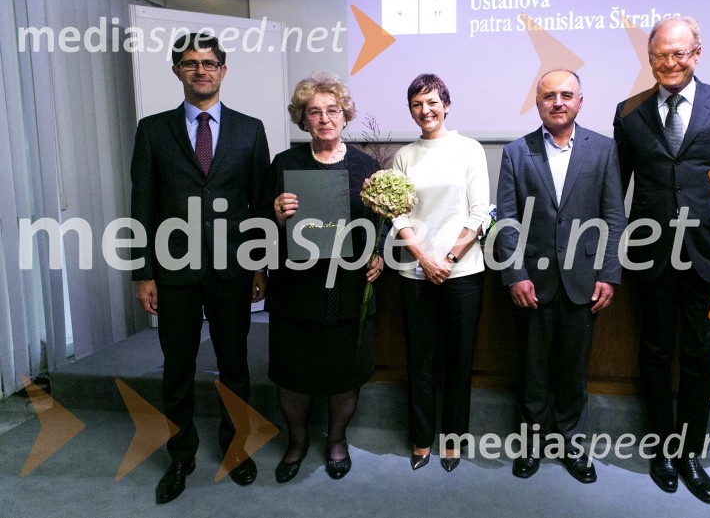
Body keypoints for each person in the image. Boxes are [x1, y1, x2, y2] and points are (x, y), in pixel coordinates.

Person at [613, 16, 710, 504]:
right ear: (649, 58)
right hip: (650, 255)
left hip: (709, 254)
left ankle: (690, 453)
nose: (670, 63)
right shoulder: (629, 112)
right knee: (654, 353)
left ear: (697, 53)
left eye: (679, 53)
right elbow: (617, 188)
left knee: (700, 357)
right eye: (660, 55)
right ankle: (660, 450)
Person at [131, 33, 270, 504]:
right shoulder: (153, 130)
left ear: (223, 70)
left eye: (209, 63)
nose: (201, 71)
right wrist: (143, 273)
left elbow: (259, 207)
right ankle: (180, 455)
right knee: (177, 368)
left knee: (235, 367)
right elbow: (141, 206)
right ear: (177, 71)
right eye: (190, 63)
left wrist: (259, 267)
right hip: (174, 271)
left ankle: (236, 448)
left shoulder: (250, 130)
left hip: (234, 270)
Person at [497, 69, 626, 483]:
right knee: (532, 371)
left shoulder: (603, 149)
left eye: (566, 95)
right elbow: (508, 220)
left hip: (584, 281)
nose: (558, 102)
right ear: (537, 103)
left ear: (580, 102)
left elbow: (614, 216)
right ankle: (531, 445)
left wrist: (609, 273)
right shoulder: (517, 152)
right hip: (531, 283)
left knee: (574, 372)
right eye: (549, 95)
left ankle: (572, 445)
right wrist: (515, 274)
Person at [264, 72, 383, 483]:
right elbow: (259, 228)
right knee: (293, 371)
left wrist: (380, 256)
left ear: (345, 115)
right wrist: (276, 217)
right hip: (296, 286)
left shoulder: (366, 166)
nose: (324, 119)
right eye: (314, 112)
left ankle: (336, 440)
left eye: (332, 110)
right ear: (303, 119)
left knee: (344, 371)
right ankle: (296, 442)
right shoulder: (285, 164)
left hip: (348, 287)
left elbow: (380, 224)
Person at [391, 74, 490, 473]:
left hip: (462, 273)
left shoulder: (469, 149)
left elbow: (479, 213)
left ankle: (453, 440)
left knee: (458, 361)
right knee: (420, 361)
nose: (425, 110)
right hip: (414, 273)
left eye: (432, 102)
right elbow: (398, 214)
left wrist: (447, 259)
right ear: (411, 110)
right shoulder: (404, 156)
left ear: (446, 105)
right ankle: (421, 438)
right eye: (417, 104)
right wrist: (424, 258)